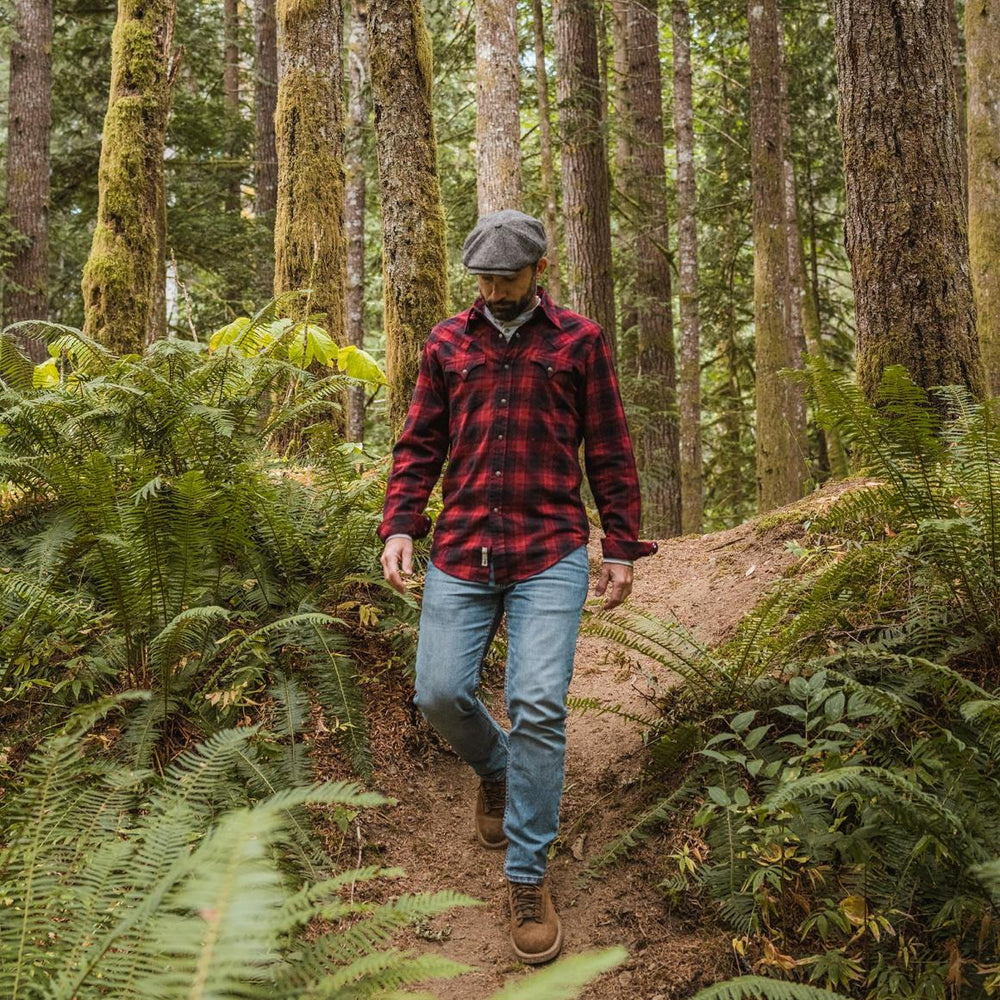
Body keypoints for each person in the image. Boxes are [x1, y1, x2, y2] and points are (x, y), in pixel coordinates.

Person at [379, 209, 656, 964]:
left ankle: (527, 874)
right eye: (485, 279)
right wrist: (401, 524)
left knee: (538, 702)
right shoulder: (447, 342)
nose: (495, 290)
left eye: (508, 277)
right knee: (439, 693)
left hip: (550, 549)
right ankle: (498, 770)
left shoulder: (579, 341)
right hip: (463, 546)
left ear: (540, 270)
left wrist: (620, 545)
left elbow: (610, 446)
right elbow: (419, 442)